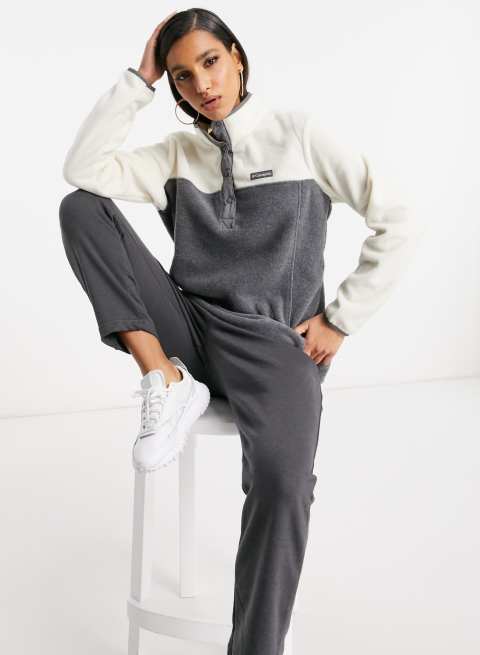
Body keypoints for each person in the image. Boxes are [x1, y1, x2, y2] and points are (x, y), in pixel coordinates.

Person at [58, 8, 421, 654]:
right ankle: (162, 377)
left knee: (284, 487)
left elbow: (398, 218)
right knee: (81, 209)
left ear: (237, 58)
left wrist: (340, 319)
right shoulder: (175, 154)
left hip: (274, 347)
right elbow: (83, 170)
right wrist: (138, 81)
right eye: (181, 75)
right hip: (190, 329)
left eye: (210, 62)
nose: (201, 84)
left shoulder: (299, 135)